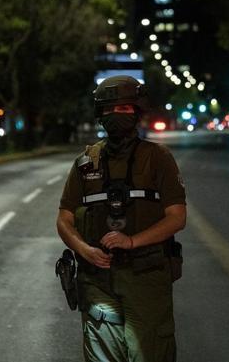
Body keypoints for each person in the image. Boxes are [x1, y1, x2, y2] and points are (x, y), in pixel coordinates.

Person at [56, 75, 187, 362]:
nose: (117, 115)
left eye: (125, 109)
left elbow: (177, 217)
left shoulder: (158, 158)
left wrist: (132, 241)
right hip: (98, 282)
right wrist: (84, 250)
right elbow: (64, 219)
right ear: (99, 115)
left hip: (147, 278)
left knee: (151, 352)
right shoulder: (85, 162)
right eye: (109, 109)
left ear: (138, 112)